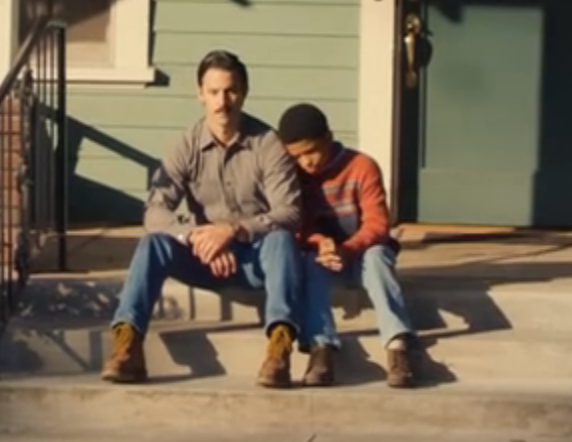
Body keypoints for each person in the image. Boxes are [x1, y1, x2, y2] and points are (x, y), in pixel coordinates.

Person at [102, 50, 310, 388]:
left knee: (281, 240)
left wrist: (233, 231)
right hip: (202, 257)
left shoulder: (267, 144)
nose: (222, 102)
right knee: (153, 243)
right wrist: (198, 236)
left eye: (230, 91)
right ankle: (128, 345)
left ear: (244, 92)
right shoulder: (185, 144)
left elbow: (289, 212)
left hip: (255, 258)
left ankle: (279, 349)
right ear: (200, 93)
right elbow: (155, 211)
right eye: (213, 92)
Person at [276, 102, 421, 388]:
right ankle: (320, 348)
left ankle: (397, 346)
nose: (307, 162)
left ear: (328, 138)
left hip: (363, 251)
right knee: (309, 263)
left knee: (378, 258)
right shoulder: (294, 177)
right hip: (325, 256)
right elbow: (297, 226)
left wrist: (349, 249)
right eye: (297, 156)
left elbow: (378, 224)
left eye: (311, 151)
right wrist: (320, 243)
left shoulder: (362, 166)